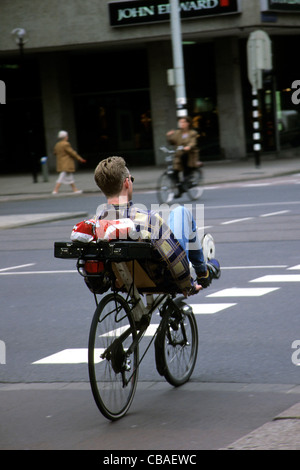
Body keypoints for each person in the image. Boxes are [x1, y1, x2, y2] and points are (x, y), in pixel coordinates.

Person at [71, 156, 220, 297]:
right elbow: (175, 260)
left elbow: (95, 284)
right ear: (127, 183)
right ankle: (203, 272)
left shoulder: (94, 226)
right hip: (162, 281)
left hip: (123, 283)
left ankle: (203, 270)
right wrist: (188, 286)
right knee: (180, 212)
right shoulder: (149, 221)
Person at [166, 116, 202, 197]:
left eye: (183, 122)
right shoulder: (177, 133)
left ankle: (187, 181)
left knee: (185, 161)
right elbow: (172, 142)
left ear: (188, 123)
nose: (181, 124)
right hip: (179, 155)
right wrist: (169, 136)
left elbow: (193, 142)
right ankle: (180, 189)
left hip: (190, 155)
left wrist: (188, 147)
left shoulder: (192, 133)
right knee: (173, 173)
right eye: (180, 122)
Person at [52, 130, 86, 194]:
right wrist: (80, 158)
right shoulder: (66, 144)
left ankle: (75, 190)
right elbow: (71, 152)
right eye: (67, 136)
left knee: (70, 177)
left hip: (60, 162)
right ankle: (55, 190)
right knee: (61, 177)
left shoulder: (57, 144)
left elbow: (55, 152)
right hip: (66, 162)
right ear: (65, 137)